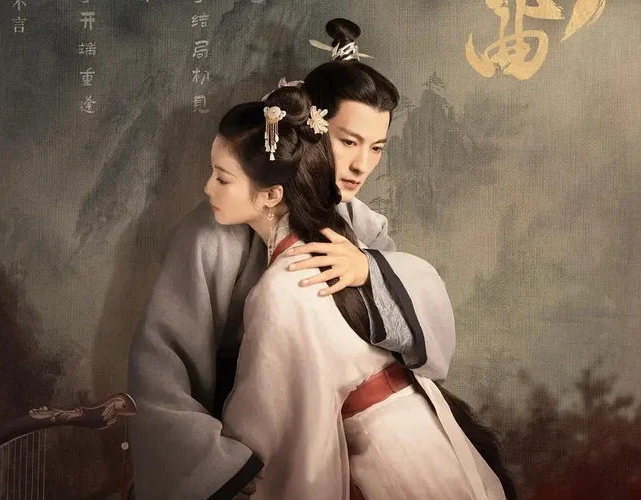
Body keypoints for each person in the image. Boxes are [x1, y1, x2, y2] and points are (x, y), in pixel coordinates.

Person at [128, 19, 453, 499]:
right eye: (348, 141)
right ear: (308, 132)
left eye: (377, 148)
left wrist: (370, 271)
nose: (362, 165)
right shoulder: (214, 231)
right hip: (247, 432)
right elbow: (162, 361)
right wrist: (217, 464)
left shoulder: (362, 226)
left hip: (358, 440)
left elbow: (398, 342)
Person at [212, 82, 507, 499]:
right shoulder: (325, 243)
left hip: (389, 458)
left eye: (221, 178)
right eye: (348, 142)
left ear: (272, 193)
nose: (208, 189)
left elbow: (267, 428)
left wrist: (368, 268)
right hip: (424, 439)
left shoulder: (291, 281)